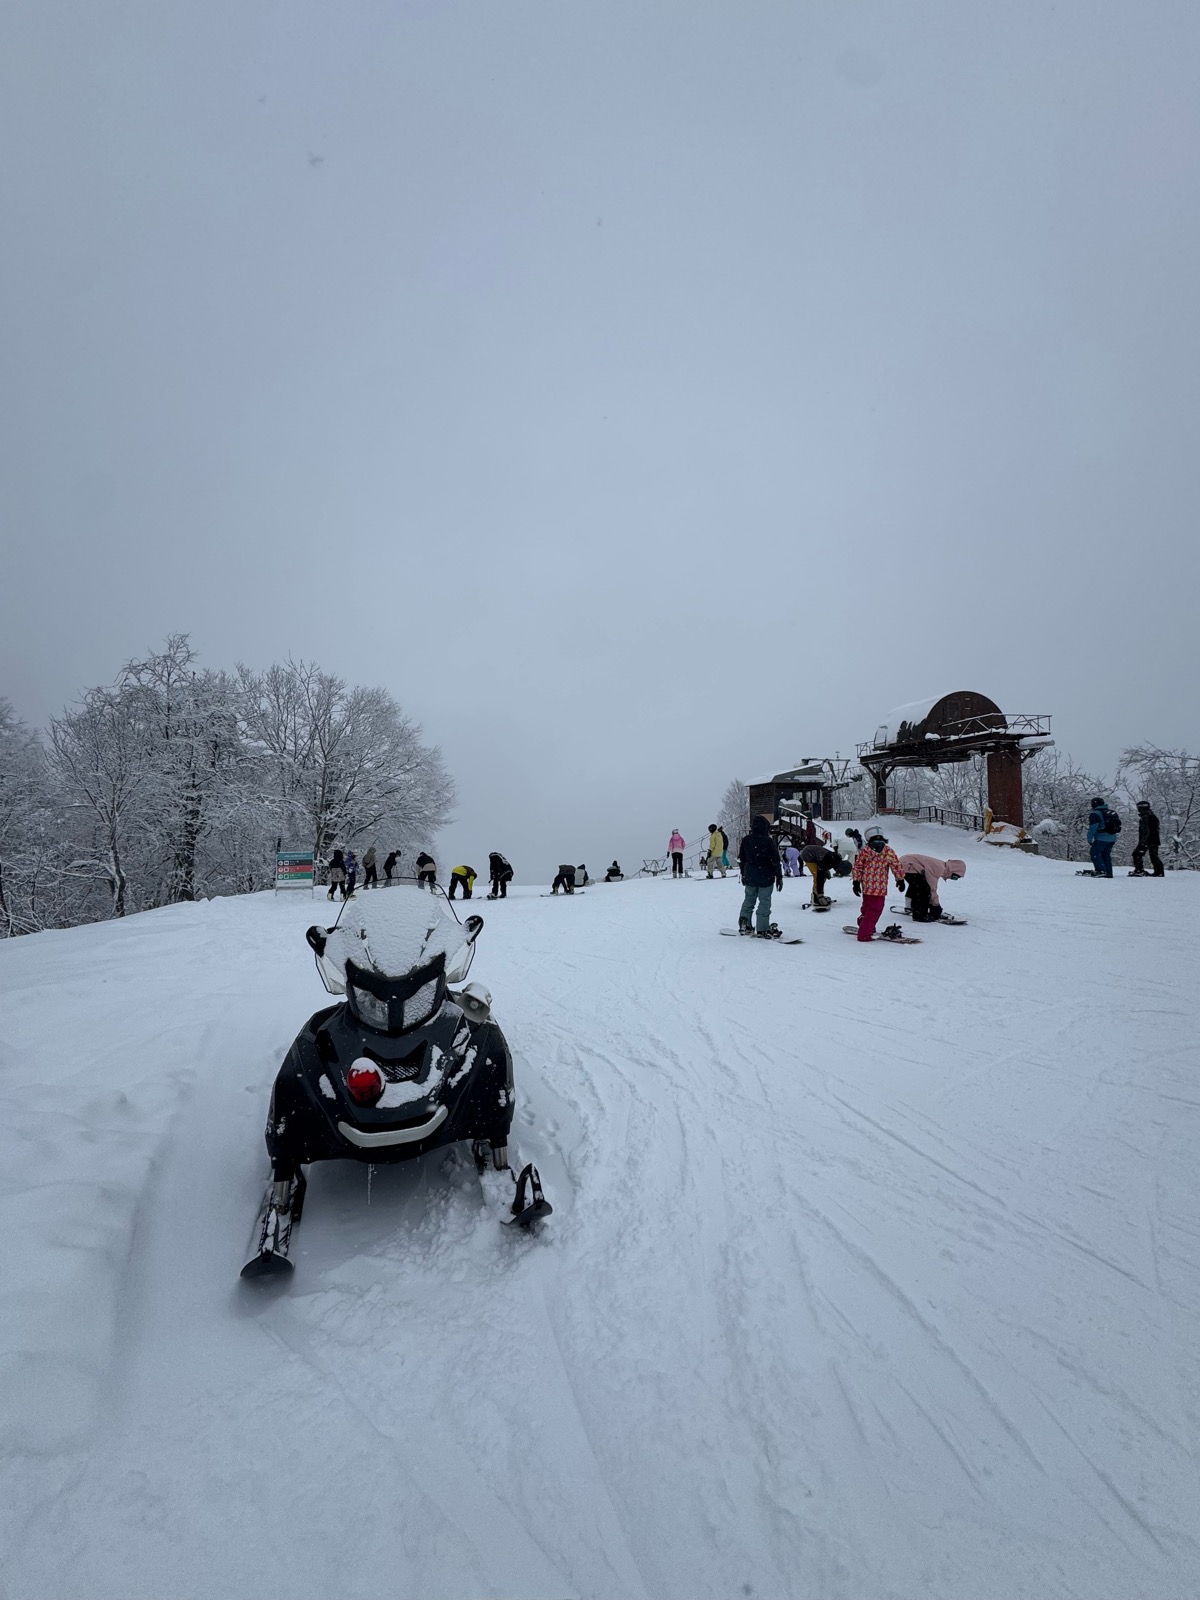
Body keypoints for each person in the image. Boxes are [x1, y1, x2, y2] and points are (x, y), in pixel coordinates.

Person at [852, 827, 906, 941]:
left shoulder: (865, 851)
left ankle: (864, 922)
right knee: (875, 910)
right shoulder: (888, 851)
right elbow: (896, 865)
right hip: (880, 887)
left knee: (867, 906)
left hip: (866, 886)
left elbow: (858, 867)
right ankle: (864, 934)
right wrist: (900, 879)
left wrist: (856, 882)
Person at [737, 815, 783, 936]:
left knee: (749, 899)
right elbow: (775, 860)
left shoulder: (746, 840)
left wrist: (743, 874)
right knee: (764, 901)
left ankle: (745, 923)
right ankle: (762, 927)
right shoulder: (768, 841)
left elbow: (742, 858)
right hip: (765, 876)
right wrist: (779, 876)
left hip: (750, 875)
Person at [898, 854, 966, 921]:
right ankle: (920, 915)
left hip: (905, 863)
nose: (951, 878)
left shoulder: (940, 865)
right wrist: (936, 906)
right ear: (952, 870)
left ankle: (910, 907)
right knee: (924, 889)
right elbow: (931, 889)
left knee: (918, 885)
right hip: (908, 865)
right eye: (954, 877)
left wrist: (899, 879)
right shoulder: (939, 868)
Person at [1086, 797, 1120, 878]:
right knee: (1106, 855)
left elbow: (1093, 828)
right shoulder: (1110, 812)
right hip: (1112, 838)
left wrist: (1089, 839)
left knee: (1094, 853)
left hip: (1101, 838)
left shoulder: (1095, 814)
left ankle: (1100, 870)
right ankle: (1108, 872)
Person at [800, 840, 840, 906]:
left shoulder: (833, 858)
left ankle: (818, 894)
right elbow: (820, 875)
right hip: (808, 855)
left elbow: (825, 865)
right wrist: (820, 895)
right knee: (817, 877)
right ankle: (817, 898)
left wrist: (825, 870)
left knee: (821, 876)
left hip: (813, 854)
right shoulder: (829, 860)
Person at [1131, 802, 1164, 876]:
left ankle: (1139, 870)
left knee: (1136, 854)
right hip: (1154, 840)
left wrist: (1143, 842)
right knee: (1154, 856)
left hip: (1147, 840)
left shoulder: (1145, 817)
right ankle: (1159, 872)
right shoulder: (1152, 816)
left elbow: (1146, 831)